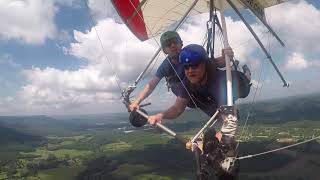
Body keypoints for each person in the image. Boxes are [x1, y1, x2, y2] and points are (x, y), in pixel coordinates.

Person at [147, 44, 251, 178]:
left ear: (205, 65)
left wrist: (220, 146)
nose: (190, 70)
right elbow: (177, 108)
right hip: (210, 98)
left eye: (195, 65)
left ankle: (246, 71)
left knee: (245, 82)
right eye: (186, 67)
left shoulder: (220, 82)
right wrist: (160, 115)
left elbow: (229, 123)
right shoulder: (187, 82)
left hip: (239, 85)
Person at [129, 31, 228, 112]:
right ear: (164, 50)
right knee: (201, 99)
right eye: (168, 44)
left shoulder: (189, 53)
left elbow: (212, 63)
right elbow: (151, 85)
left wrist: (225, 58)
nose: (172, 45)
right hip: (187, 95)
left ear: (181, 44)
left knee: (207, 72)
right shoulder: (166, 65)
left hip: (200, 88)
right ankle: (220, 116)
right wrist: (137, 101)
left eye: (175, 42)